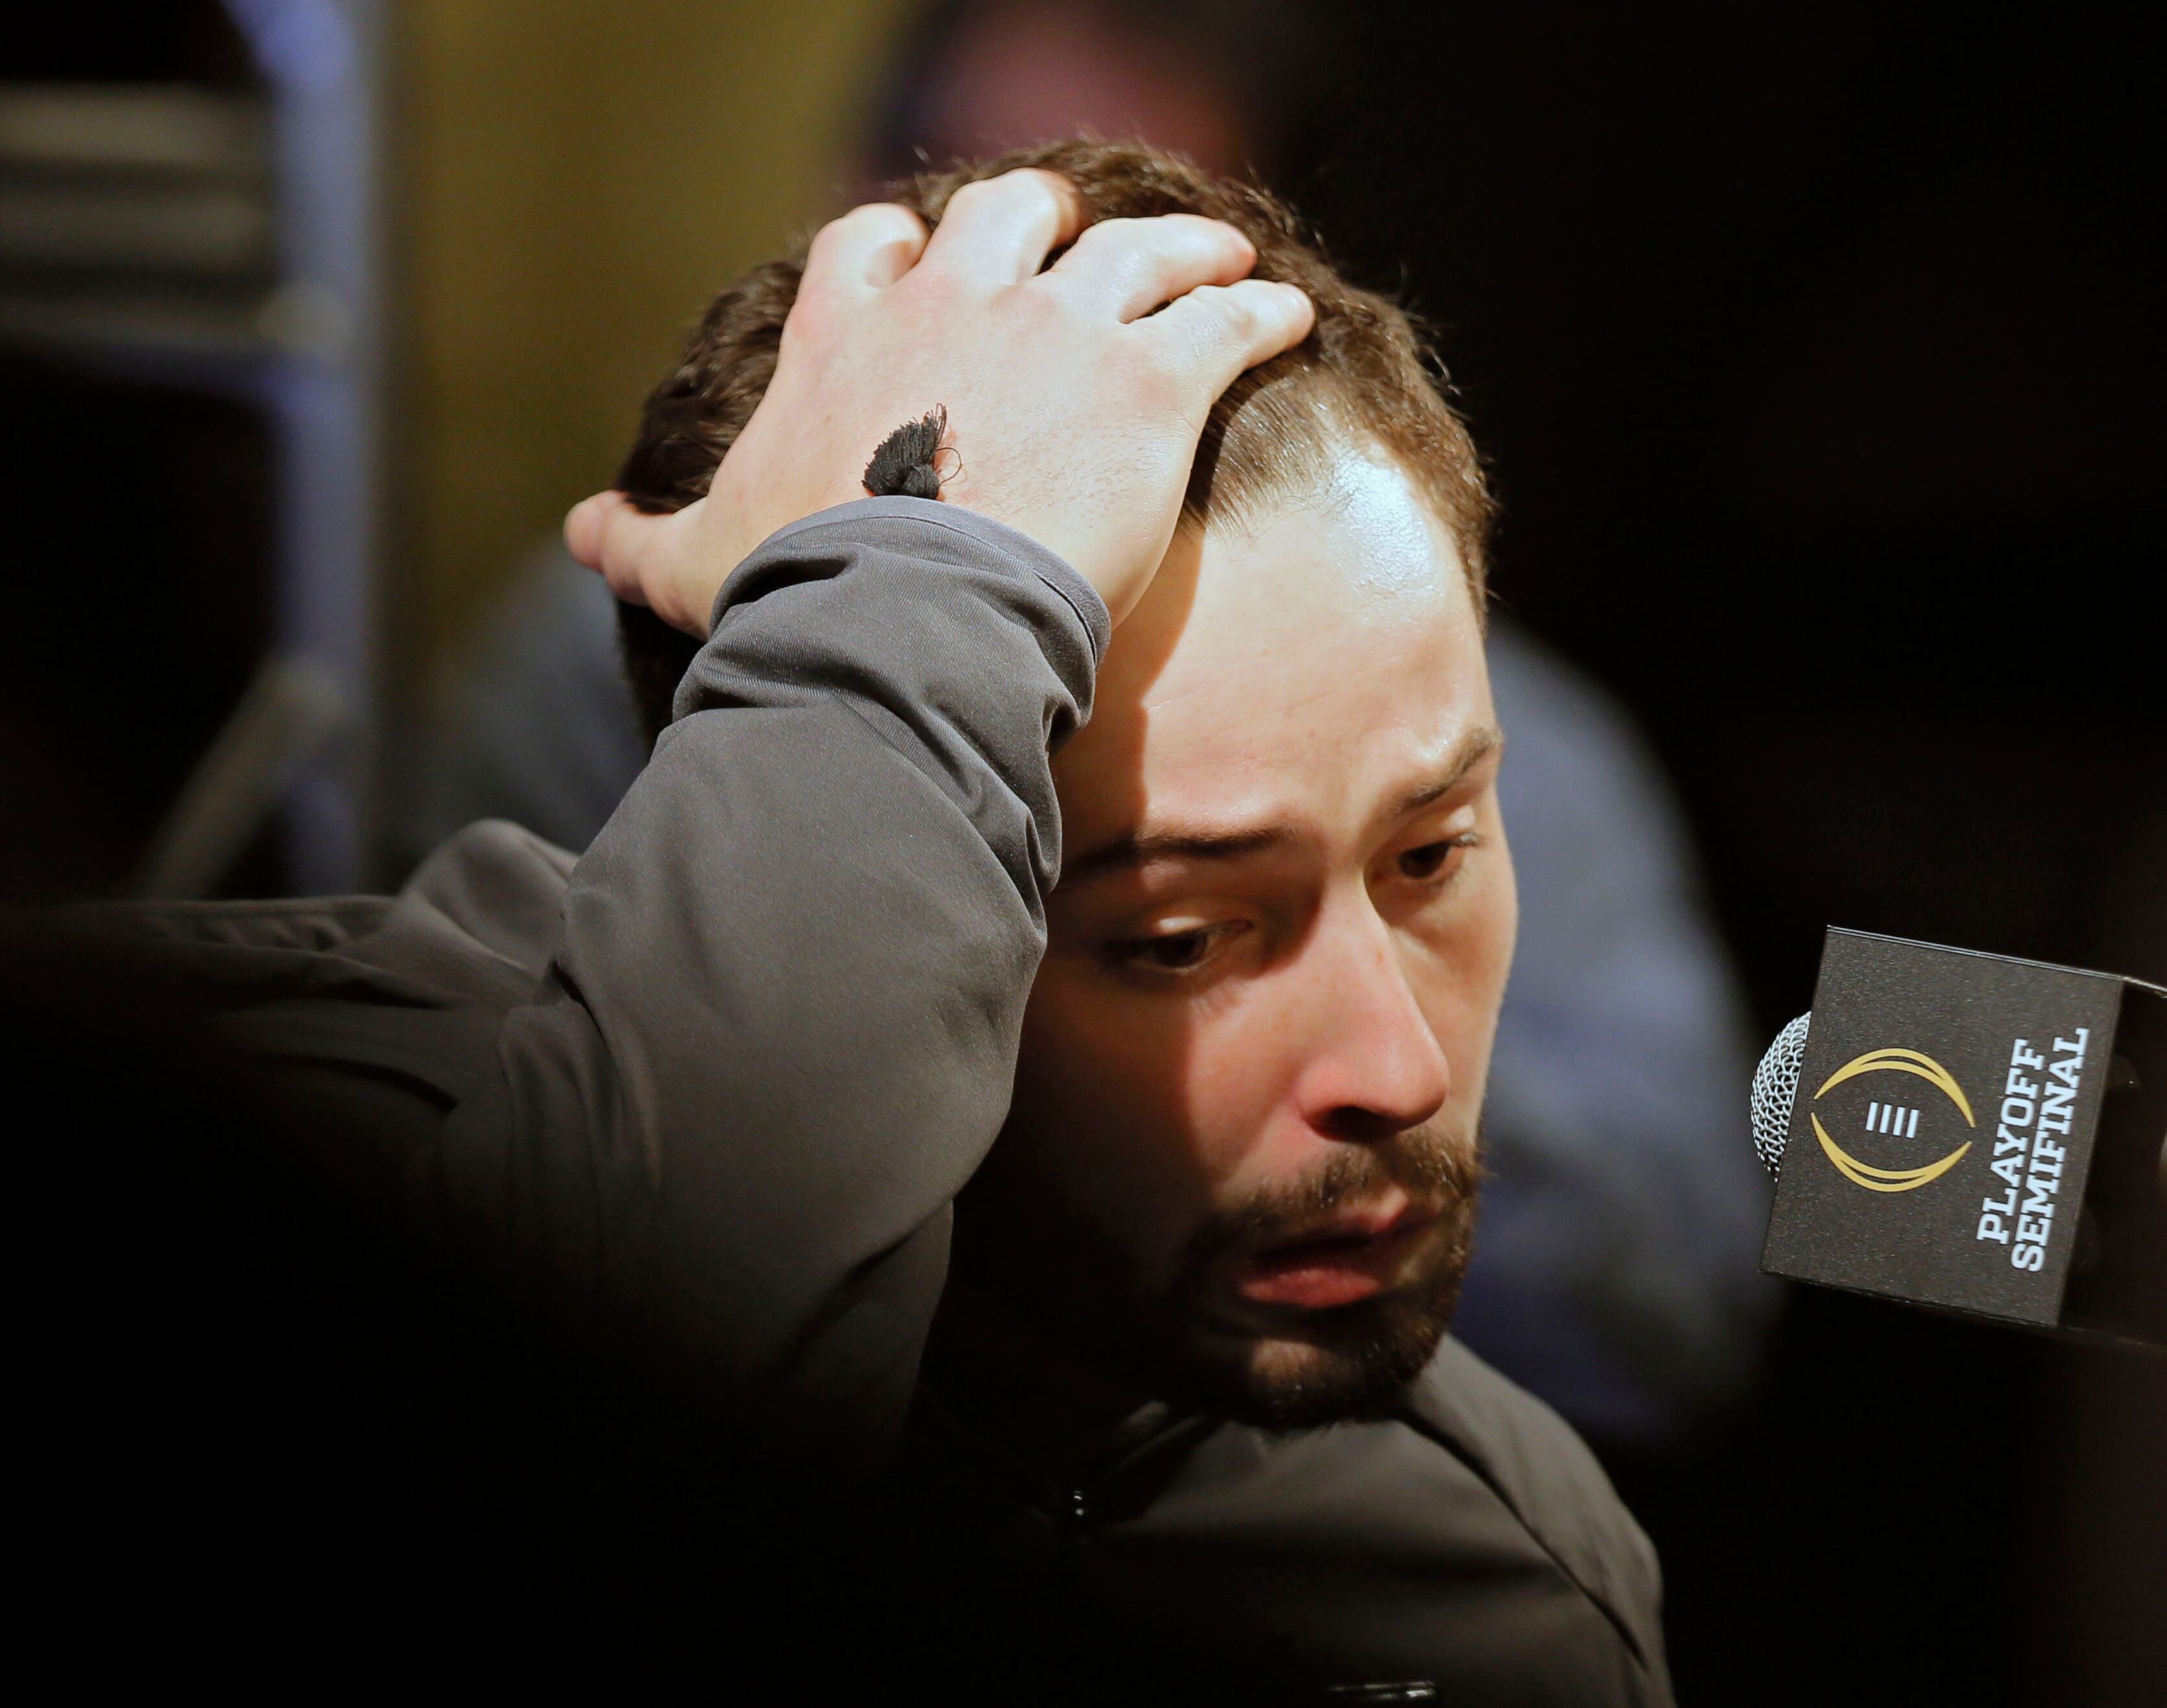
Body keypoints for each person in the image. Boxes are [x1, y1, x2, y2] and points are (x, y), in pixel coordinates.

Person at [100, 143, 1672, 1700]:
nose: (1397, 1069)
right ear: (837, 790)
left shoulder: (1503, 1589)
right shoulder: (281, 1131)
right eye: (1181, 939)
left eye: (1429, 857)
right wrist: (917, 601)